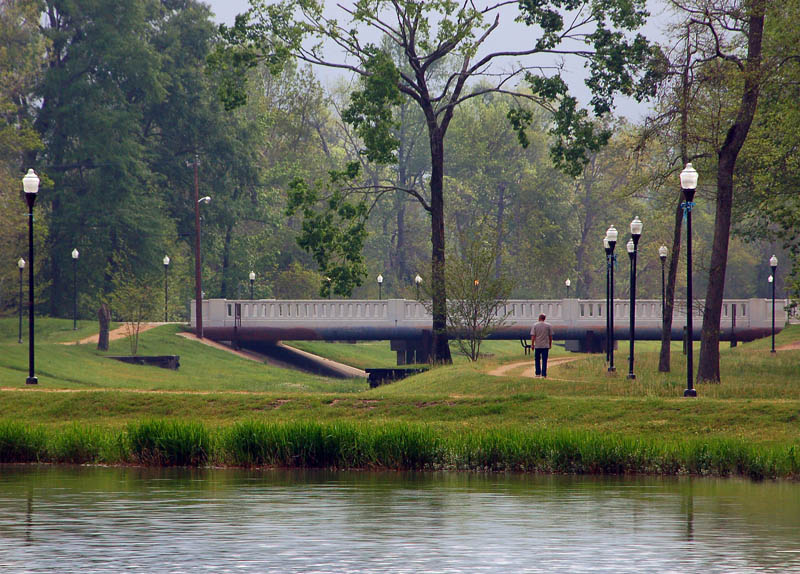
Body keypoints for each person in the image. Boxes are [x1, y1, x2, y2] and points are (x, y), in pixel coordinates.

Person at [531, 313, 553, 378]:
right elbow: (550, 336)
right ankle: (544, 374)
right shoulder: (548, 326)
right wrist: (550, 344)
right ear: (544, 319)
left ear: (539, 318)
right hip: (545, 346)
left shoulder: (535, 325)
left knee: (537, 359)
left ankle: (537, 373)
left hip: (537, 345)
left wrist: (532, 344)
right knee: (544, 360)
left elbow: (533, 336)